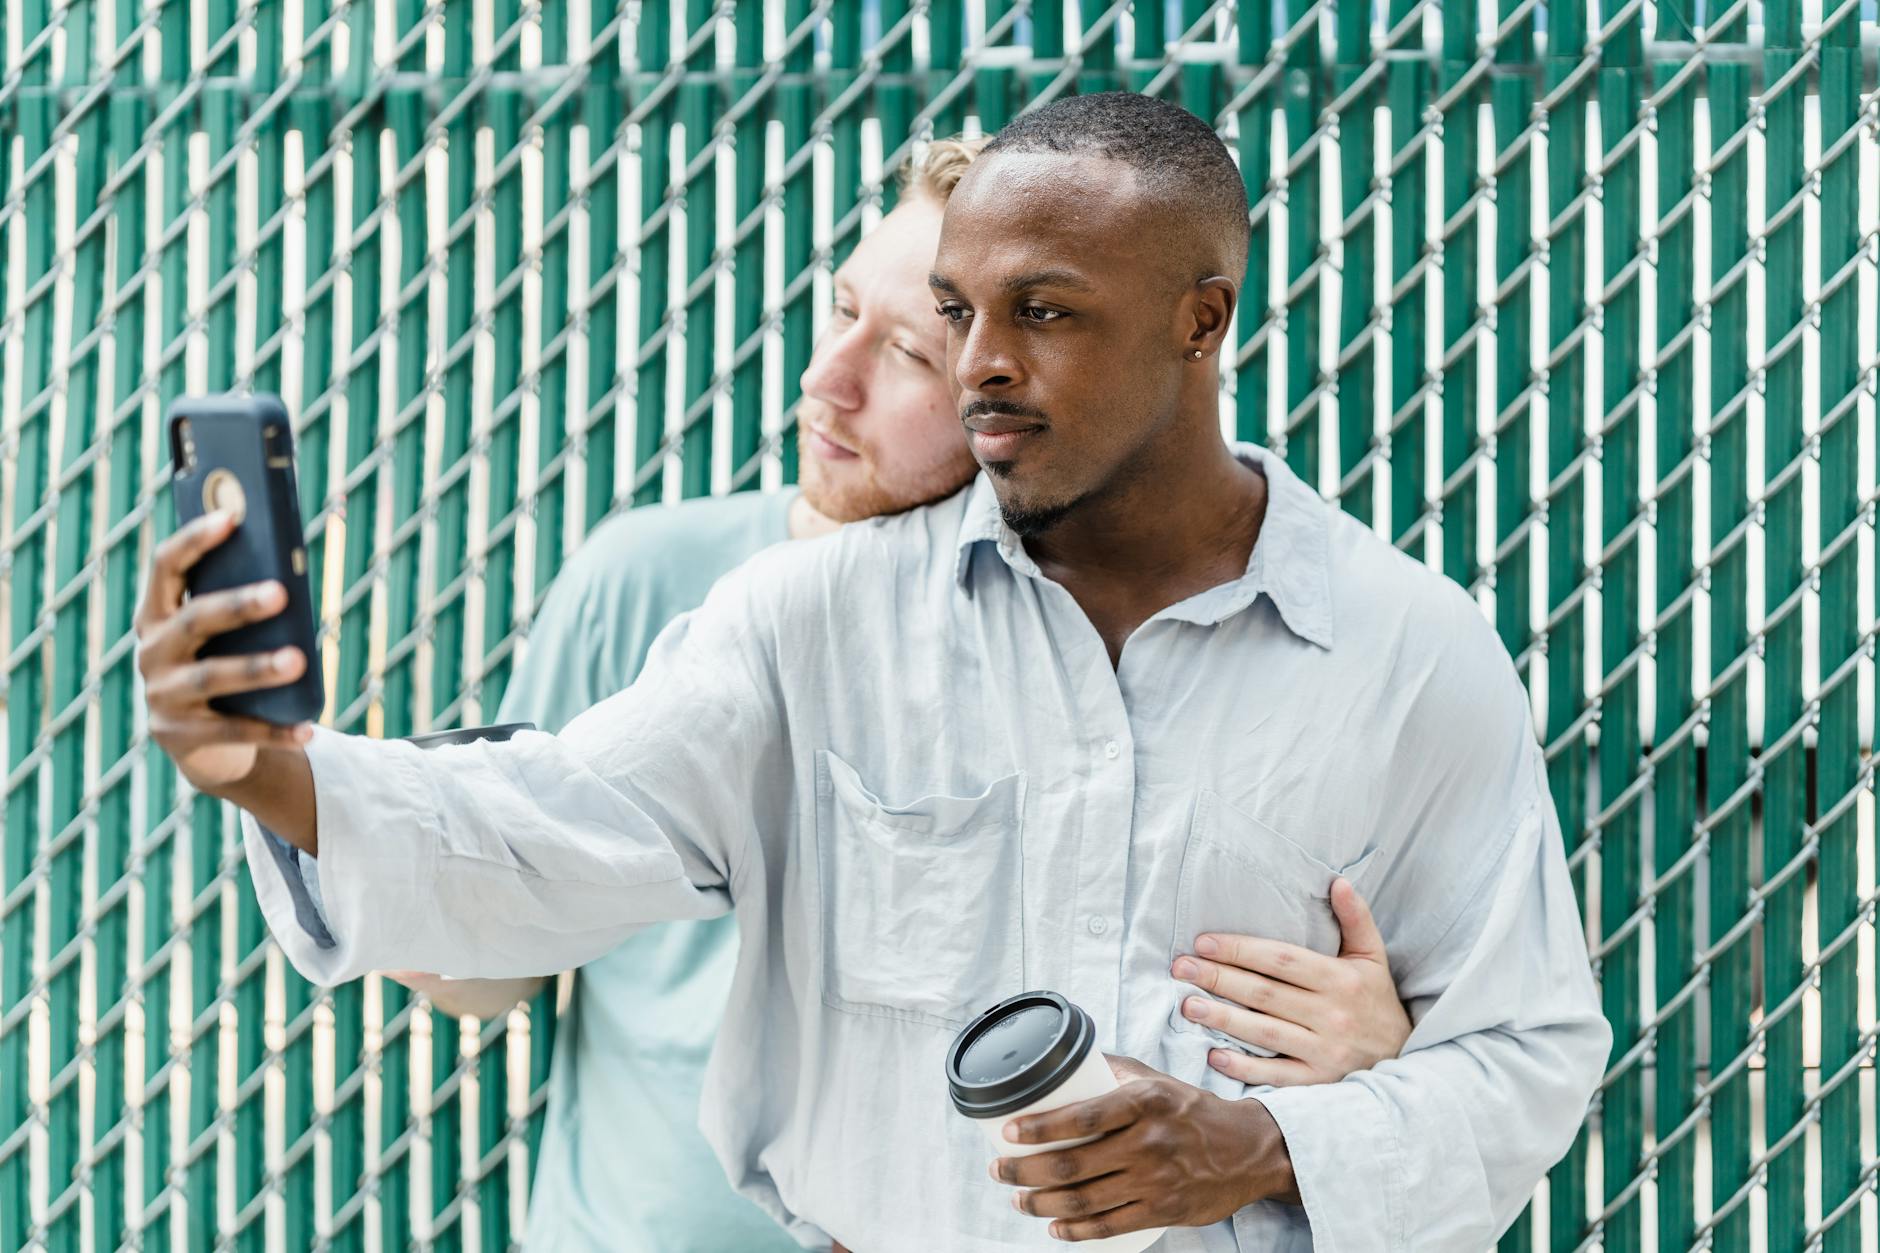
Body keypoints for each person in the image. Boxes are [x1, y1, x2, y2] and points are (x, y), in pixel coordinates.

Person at [136, 94, 1606, 1250]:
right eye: (956, 316)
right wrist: (267, 764)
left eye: (1041, 312)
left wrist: (1264, 1146)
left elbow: (1529, 1058)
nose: (980, 367)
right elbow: (550, 830)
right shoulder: (805, 623)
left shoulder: (1410, 656)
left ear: (1201, 321)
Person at [392, 137, 1413, 1250]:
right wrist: (369, 836)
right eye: (838, 312)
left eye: (908, 358)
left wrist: (1370, 1061)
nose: (827, 379)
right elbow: (490, 973)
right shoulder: (644, 576)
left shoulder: (1126, 658)